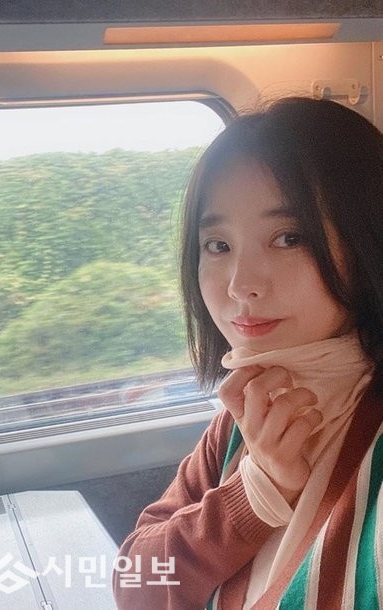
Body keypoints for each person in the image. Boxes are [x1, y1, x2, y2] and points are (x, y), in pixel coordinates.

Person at [113, 97, 383, 609]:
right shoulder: (240, 415)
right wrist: (257, 492)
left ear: (367, 240)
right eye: (218, 245)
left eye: (289, 237)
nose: (241, 284)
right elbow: (136, 584)